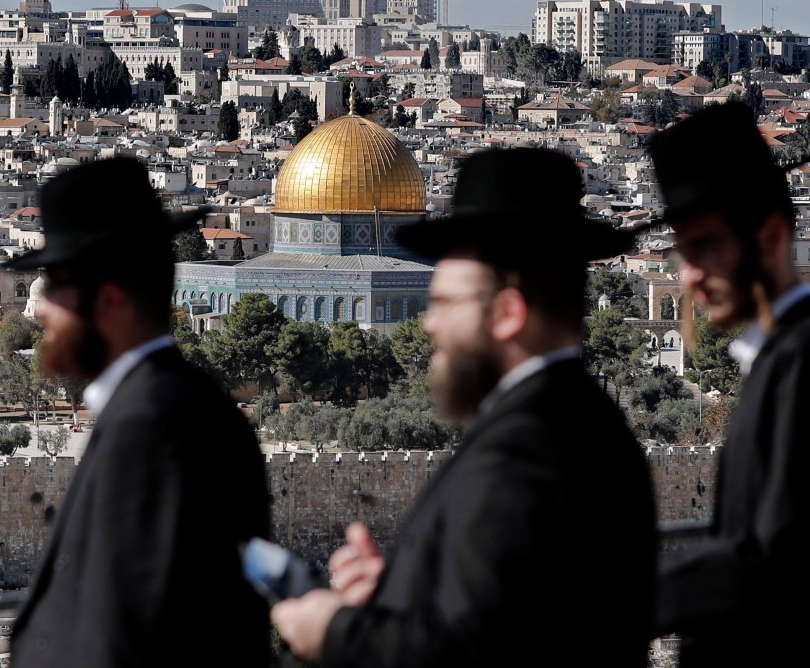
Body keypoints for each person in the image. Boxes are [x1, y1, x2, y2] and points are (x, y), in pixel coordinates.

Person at [270, 147, 658, 667]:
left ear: (507, 313)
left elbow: (462, 653)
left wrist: (332, 630)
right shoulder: (588, 423)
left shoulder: (523, 453)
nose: (429, 324)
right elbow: (509, 612)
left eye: (445, 303)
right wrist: (401, 592)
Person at [1, 157, 272, 668]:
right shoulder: (176, 405)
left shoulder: (153, 426)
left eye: (55, 288)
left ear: (109, 300)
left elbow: (131, 634)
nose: (42, 309)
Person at [647, 101, 810, 666]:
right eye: (683, 250)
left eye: (705, 247)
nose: (689, 275)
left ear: (771, 236)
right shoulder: (786, 361)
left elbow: (779, 561)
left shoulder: (806, 366)